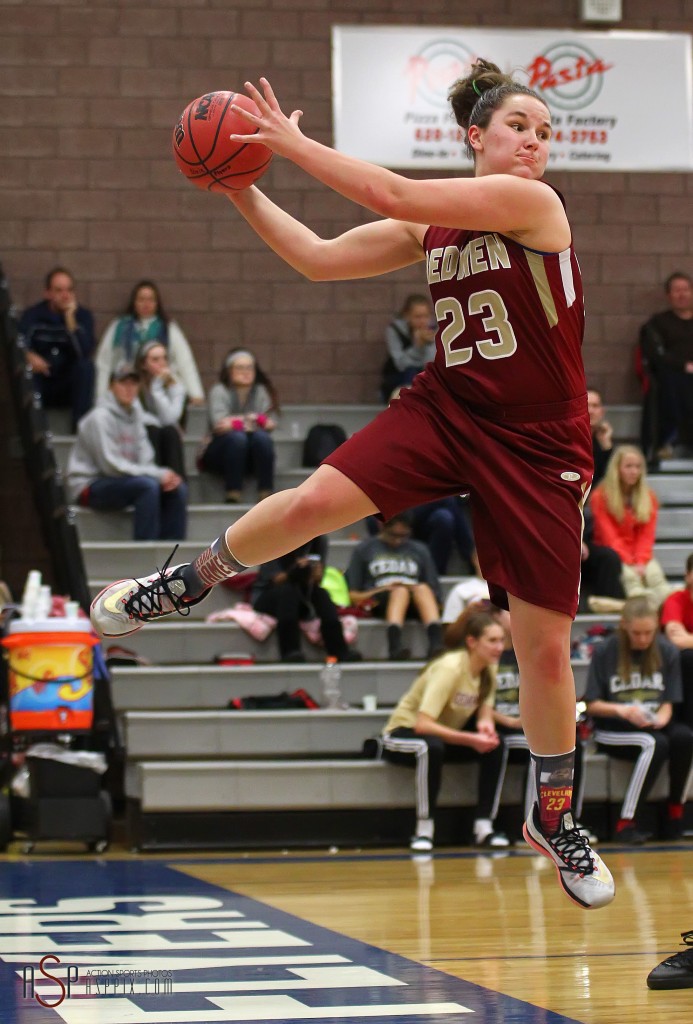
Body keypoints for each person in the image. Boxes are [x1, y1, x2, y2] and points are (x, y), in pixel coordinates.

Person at [90, 60, 614, 908]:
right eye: (520, 126)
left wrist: (292, 146)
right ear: (476, 136)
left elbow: (394, 193)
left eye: (546, 133)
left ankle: (553, 816)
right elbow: (318, 260)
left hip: (535, 442)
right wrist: (239, 189)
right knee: (312, 505)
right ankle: (186, 581)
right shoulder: (434, 231)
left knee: (543, 650)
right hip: (448, 408)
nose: (535, 143)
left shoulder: (534, 206)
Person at [446, 601, 596, 843]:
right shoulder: (484, 653)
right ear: (495, 616)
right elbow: (471, 702)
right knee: (503, 745)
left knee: (570, 745)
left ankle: (564, 822)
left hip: (523, 725)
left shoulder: (527, 649)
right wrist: (507, 720)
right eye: (509, 610)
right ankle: (492, 822)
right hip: (494, 726)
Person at [381, 608, 509, 852]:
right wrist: (470, 739)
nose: (499, 647)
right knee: (430, 748)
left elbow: (485, 712)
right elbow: (423, 724)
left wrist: (486, 729)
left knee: (497, 745)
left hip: (444, 734)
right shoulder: (449, 668)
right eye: (492, 640)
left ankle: (484, 826)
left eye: (501, 640)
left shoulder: (489, 667)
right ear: (472, 642)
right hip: (404, 733)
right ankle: (424, 830)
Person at [585, 596, 693, 843]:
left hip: (651, 725)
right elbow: (592, 704)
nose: (643, 639)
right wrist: (622, 711)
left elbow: (670, 701)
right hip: (613, 727)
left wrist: (662, 719)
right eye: (637, 633)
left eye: (648, 633)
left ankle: (674, 813)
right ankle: (626, 821)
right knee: (653, 743)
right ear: (624, 625)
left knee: (684, 737)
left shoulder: (666, 649)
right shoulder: (605, 651)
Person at [66, 363, 187, 541]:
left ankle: (171, 555)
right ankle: (146, 552)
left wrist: (161, 475)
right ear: (111, 387)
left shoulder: (136, 416)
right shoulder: (99, 418)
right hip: (90, 484)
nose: (129, 389)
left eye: (133, 383)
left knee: (177, 489)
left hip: (124, 480)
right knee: (148, 486)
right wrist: (157, 475)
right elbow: (110, 465)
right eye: (123, 383)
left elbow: (146, 458)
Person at [345, 513, 443, 662]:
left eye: (403, 535)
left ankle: (436, 644)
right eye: (393, 535)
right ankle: (395, 645)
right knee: (400, 591)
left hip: (416, 600)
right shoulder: (364, 549)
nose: (398, 540)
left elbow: (434, 590)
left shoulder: (420, 550)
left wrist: (412, 587)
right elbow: (353, 595)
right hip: (380, 600)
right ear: (382, 526)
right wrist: (383, 589)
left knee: (422, 588)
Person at [251, 535, 361, 663]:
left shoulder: (319, 540)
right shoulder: (275, 538)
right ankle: (290, 651)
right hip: (269, 594)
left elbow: (318, 580)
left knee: (322, 594)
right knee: (288, 592)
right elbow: (275, 579)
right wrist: (296, 570)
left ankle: (340, 650)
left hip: (303, 594)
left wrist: (316, 572)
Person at [95, 279, 205, 404]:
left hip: (159, 386)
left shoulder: (168, 327)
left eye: (150, 300)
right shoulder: (119, 326)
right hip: (127, 383)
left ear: (157, 303)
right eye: (141, 299)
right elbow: (103, 363)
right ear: (134, 302)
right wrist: (100, 396)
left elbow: (185, 361)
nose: (146, 304)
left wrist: (196, 394)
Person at [590, 444, 671, 610]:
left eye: (638, 467)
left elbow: (646, 536)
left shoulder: (649, 497)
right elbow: (608, 536)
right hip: (615, 552)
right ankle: (645, 608)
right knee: (630, 578)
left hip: (639, 554)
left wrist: (641, 560)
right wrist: (631, 562)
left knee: (655, 576)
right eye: (628, 466)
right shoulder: (600, 496)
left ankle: (662, 605)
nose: (634, 471)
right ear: (617, 469)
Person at [18, 267, 96, 430]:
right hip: (42, 380)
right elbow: (19, 345)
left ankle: (80, 430)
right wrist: (28, 355)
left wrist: (70, 321)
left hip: (68, 384)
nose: (65, 295)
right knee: (27, 372)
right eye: (59, 290)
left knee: (86, 367)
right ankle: (36, 431)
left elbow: (84, 352)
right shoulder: (33, 316)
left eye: (69, 290)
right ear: (47, 293)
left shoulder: (82, 316)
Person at [199, 348, 278, 503]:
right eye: (240, 368)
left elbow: (270, 423)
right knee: (237, 438)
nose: (246, 372)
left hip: (251, 453)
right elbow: (220, 424)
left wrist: (235, 422)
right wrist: (254, 420)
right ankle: (233, 491)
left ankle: (266, 492)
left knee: (262, 438)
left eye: (249, 368)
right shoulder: (219, 390)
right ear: (229, 371)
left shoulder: (261, 391)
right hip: (220, 451)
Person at [639, 271, 693, 459]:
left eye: (686, 289)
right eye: (676, 290)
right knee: (674, 383)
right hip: (672, 377)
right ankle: (672, 440)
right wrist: (684, 366)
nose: (682, 294)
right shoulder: (658, 323)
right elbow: (655, 354)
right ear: (669, 295)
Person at [134, 341, 187, 478]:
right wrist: (159, 423)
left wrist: (157, 389)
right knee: (153, 430)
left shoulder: (176, 385)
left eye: (164, 358)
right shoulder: (133, 385)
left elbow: (170, 419)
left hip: (165, 431)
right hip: (138, 433)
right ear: (143, 364)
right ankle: (154, 480)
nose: (162, 363)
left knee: (170, 432)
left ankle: (178, 485)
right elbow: (138, 417)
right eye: (155, 360)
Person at [380, 293, 436, 402]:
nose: (422, 321)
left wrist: (427, 343)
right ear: (407, 316)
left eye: (425, 316)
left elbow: (432, 363)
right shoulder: (395, 330)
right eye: (417, 317)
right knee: (411, 372)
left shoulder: (434, 329)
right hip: (399, 377)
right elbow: (400, 364)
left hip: (425, 377)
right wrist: (418, 346)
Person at [660, 552, 693, 729]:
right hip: (682, 668)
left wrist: (688, 638)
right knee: (688, 656)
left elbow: (684, 638)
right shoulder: (675, 600)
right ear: (687, 575)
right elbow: (676, 640)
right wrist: (686, 640)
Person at [587, 388, 613, 487]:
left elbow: (609, 479)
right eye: (587, 405)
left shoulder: (603, 440)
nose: (591, 411)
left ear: (602, 412)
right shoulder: (566, 439)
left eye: (595, 406)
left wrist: (607, 447)